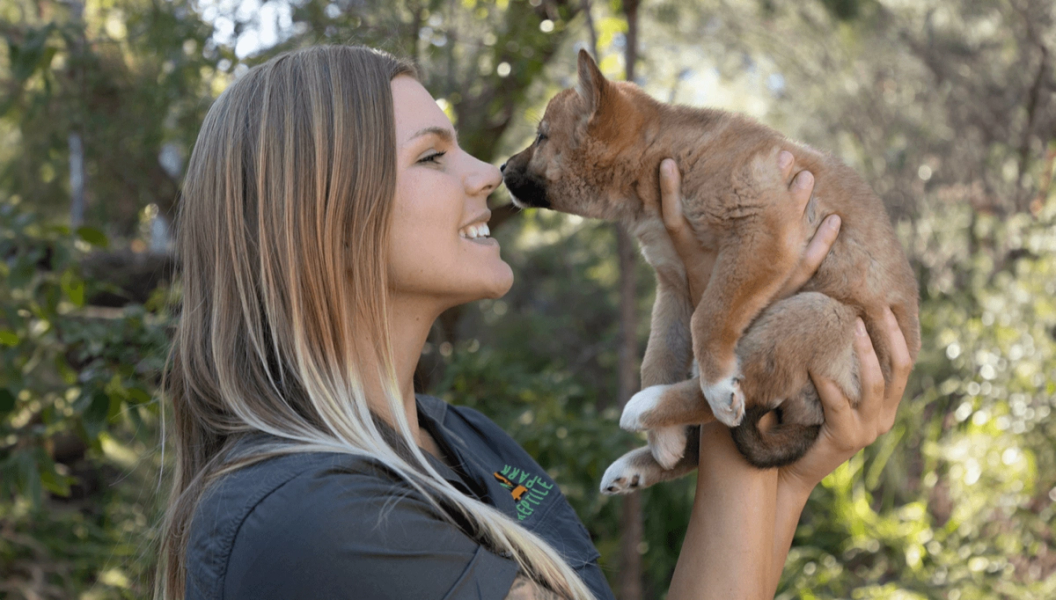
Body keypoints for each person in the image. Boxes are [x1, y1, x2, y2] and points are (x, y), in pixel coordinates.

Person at [157, 45, 912, 600]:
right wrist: (734, 352)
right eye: (432, 158)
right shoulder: (323, 521)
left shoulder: (467, 441)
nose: (489, 172)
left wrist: (780, 466)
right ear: (320, 221)